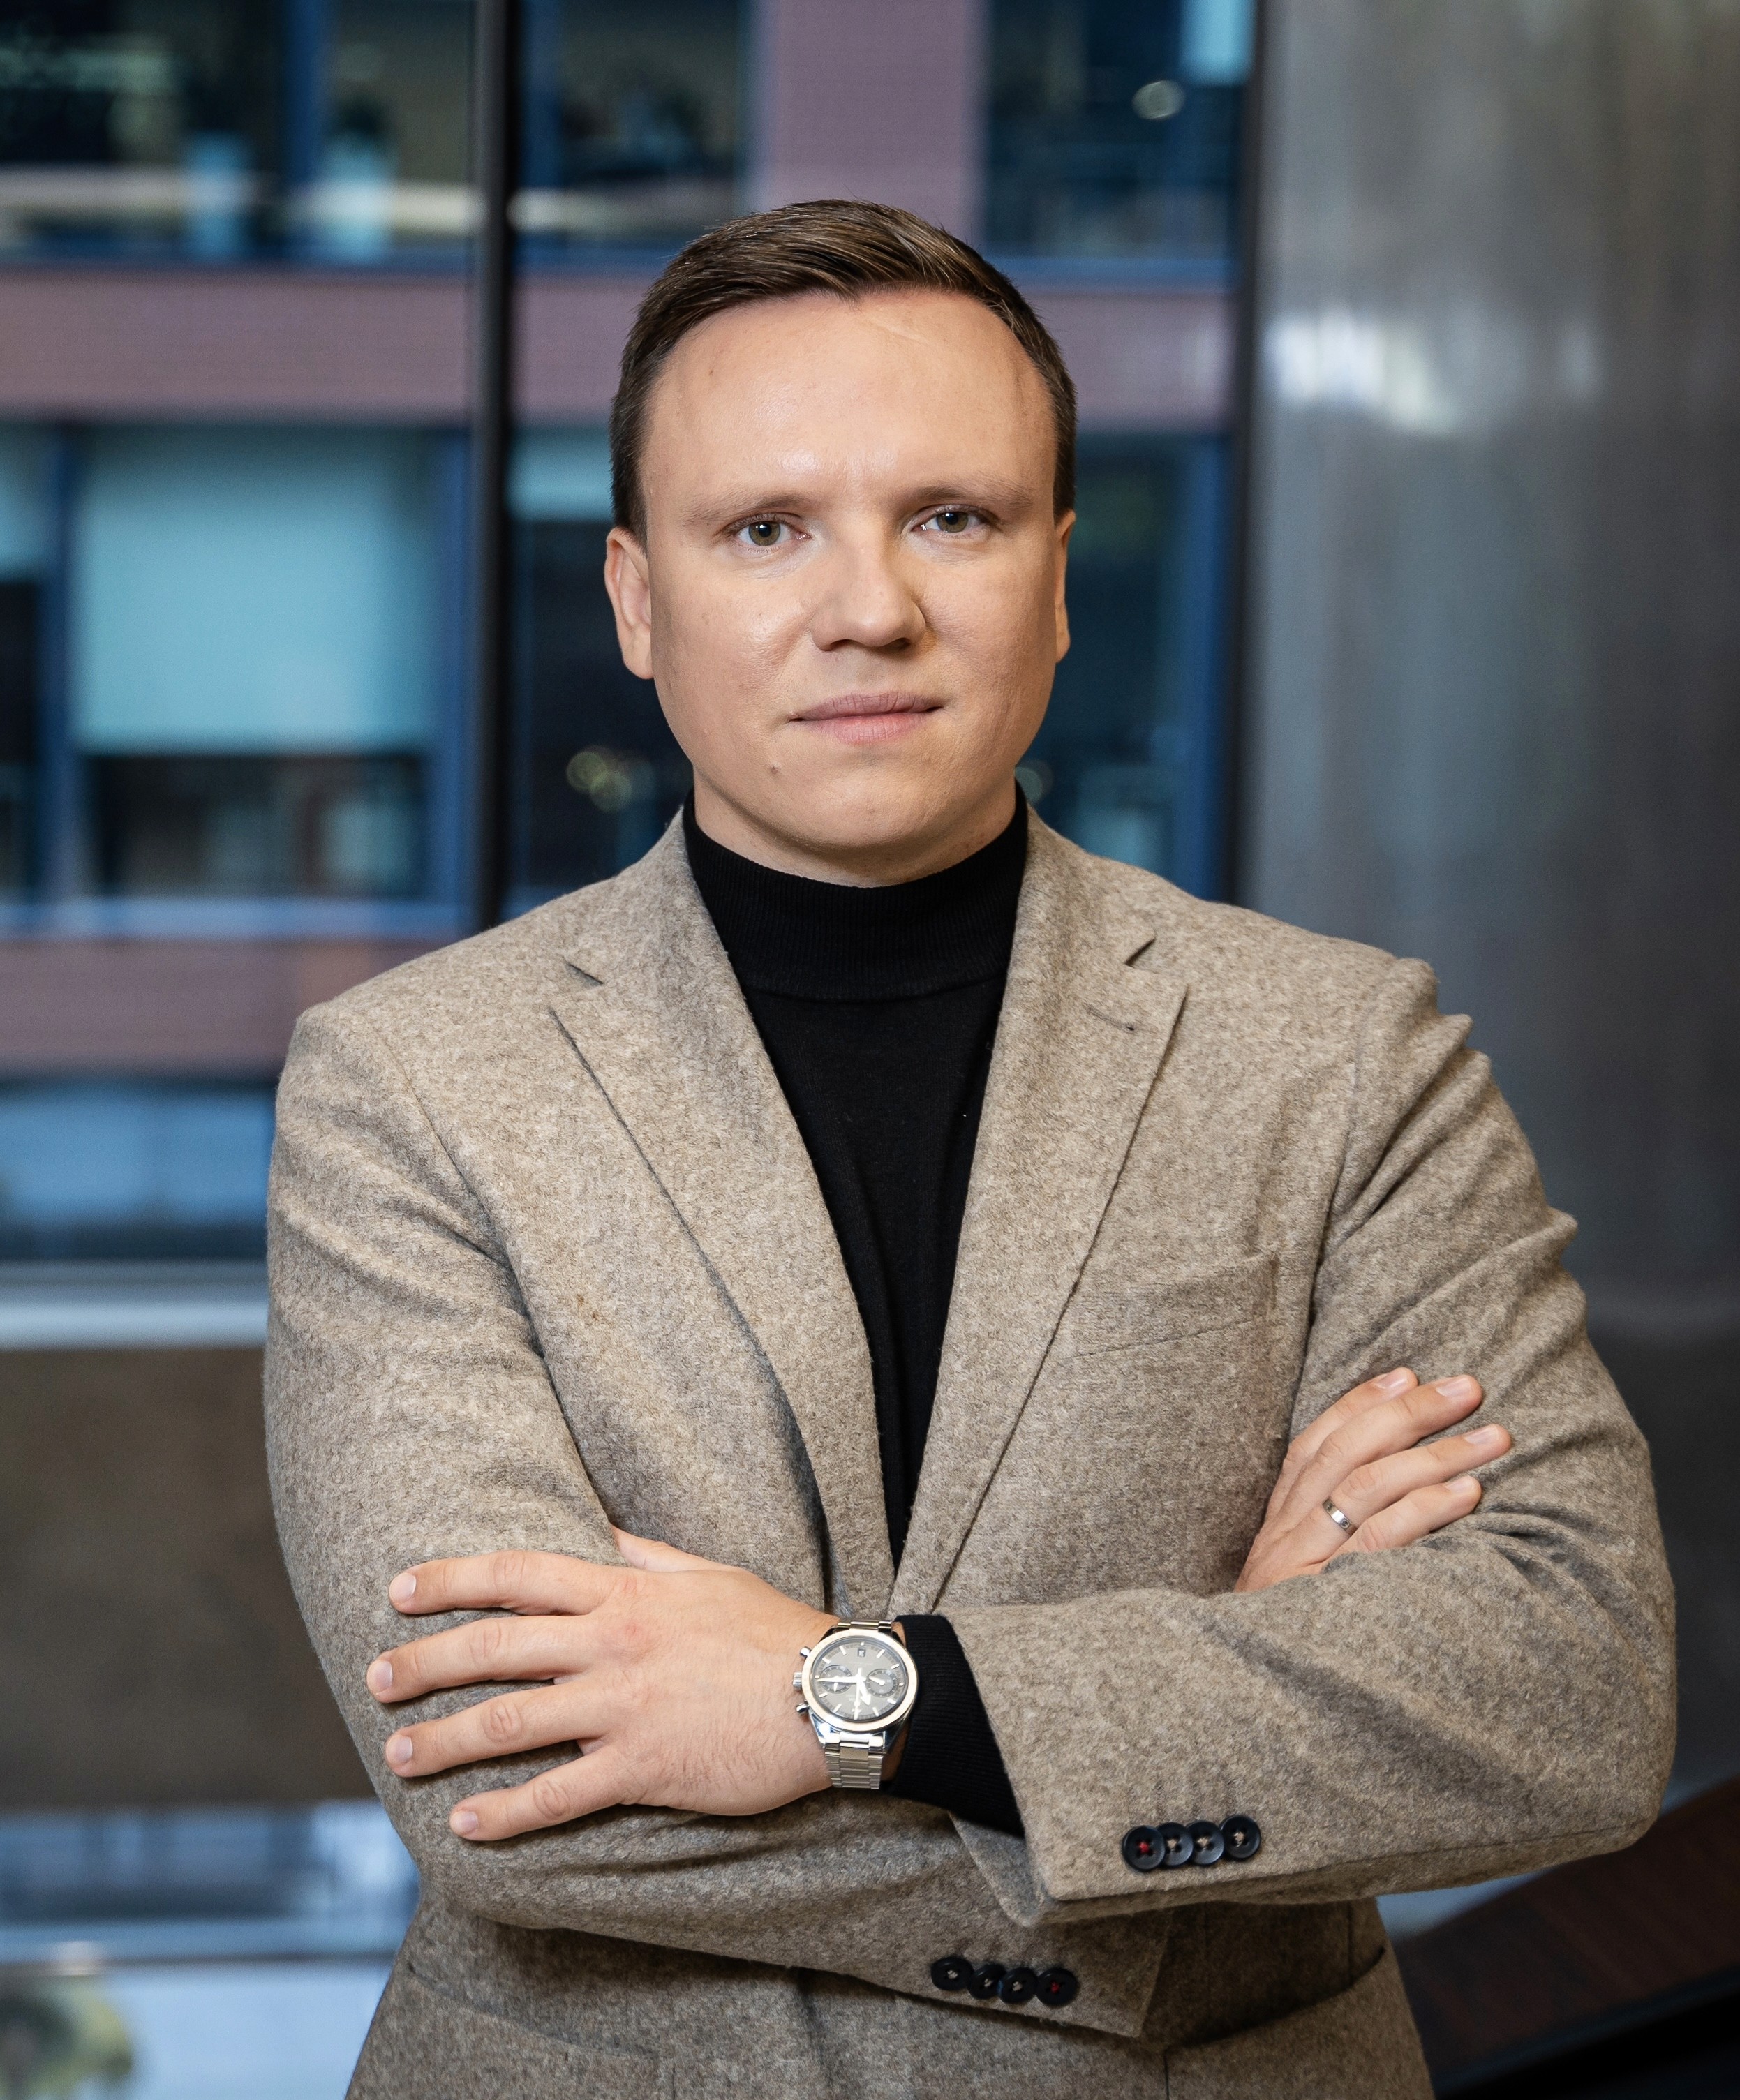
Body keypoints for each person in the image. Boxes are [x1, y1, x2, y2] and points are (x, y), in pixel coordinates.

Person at [265, 201, 1674, 2099]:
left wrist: (848, 1698)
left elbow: (1566, 1691)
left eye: (954, 517)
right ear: (633, 596)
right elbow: (515, 1790)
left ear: (1062, 575)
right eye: (767, 528)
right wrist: (1219, 1702)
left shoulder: (1345, 1054)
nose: (871, 605)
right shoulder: (410, 1086)